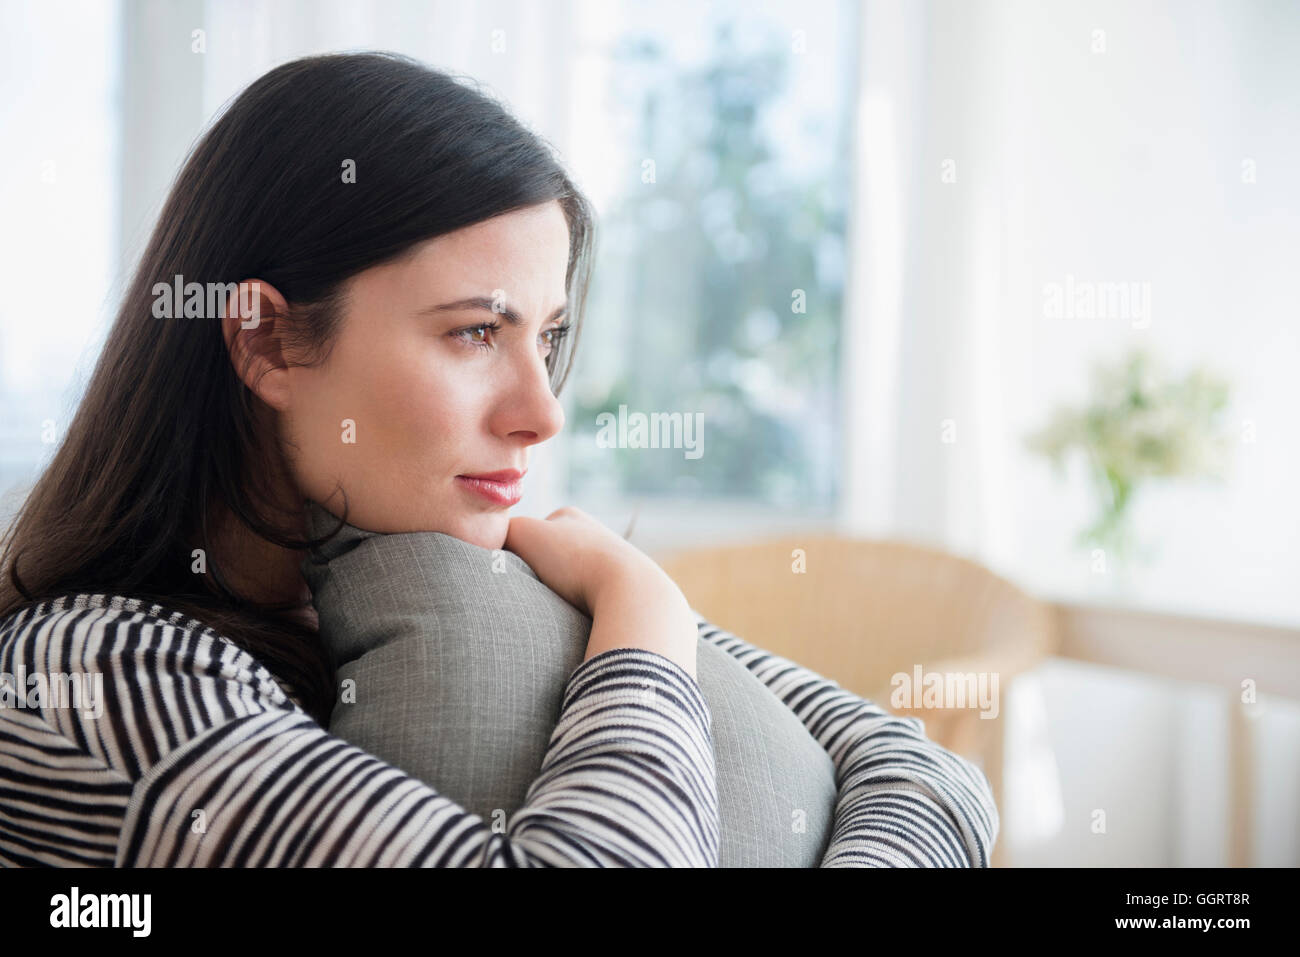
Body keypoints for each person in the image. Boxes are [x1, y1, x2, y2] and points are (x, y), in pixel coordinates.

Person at [0, 51, 996, 867]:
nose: (542, 413)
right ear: (267, 342)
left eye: (549, 339)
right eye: (476, 333)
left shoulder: (467, 578)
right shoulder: (87, 682)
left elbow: (933, 780)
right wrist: (644, 612)